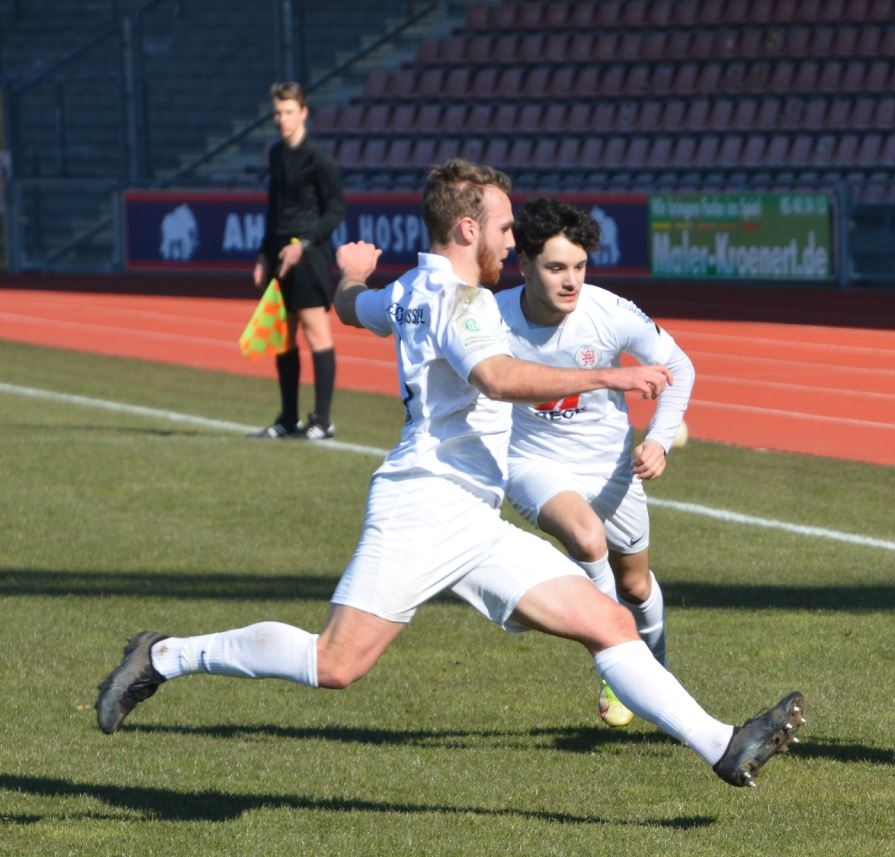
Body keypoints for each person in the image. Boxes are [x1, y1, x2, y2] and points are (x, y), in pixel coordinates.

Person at [96, 159, 804, 789]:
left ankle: (723, 743)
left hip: (471, 513)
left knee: (607, 619)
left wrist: (348, 273)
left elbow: (353, 308)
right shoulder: (461, 302)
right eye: (501, 224)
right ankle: (165, 654)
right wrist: (611, 373)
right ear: (466, 228)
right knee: (336, 663)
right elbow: (496, 377)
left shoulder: (409, 288)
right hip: (422, 504)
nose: (510, 237)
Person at [496, 198, 694, 729]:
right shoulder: (492, 319)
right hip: (534, 462)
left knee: (636, 586)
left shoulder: (608, 312)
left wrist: (659, 439)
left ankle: (656, 672)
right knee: (587, 540)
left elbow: (679, 366)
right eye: (556, 267)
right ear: (524, 265)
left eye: (579, 267)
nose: (570, 281)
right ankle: (616, 663)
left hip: (612, 468)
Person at [252, 80, 346, 440]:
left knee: (315, 332)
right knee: (283, 337)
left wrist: (302, 244)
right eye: (277, 113)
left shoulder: (318, 158)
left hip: (308, 257)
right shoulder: (276, 154)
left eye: (288, 112)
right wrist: (264, 253)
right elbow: (273, 208)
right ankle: (288, 418)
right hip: (279, 257)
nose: (282, 119)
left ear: (303, 112)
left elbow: (336, 210)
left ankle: (322, 420)